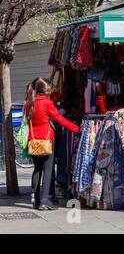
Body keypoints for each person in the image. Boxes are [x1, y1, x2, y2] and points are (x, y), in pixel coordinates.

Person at [25, 78, 79, 210]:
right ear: (45, 90)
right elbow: (59, 119)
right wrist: (76, 128)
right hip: (47, 139)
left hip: (33, 139)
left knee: (37, 170)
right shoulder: (47, 103)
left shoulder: (29, 103)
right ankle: (45, 201)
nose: (51, 90)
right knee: (48, 170)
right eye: (49, 88)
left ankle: (37, 201)